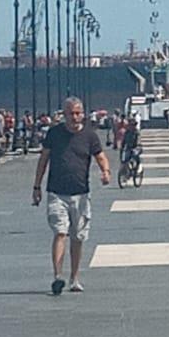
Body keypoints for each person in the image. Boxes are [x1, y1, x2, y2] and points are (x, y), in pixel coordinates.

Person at [32, 96, 110, 296]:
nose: (75, 117)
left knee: (78, 237)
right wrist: (36, 186)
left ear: (83, 114)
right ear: (64, 115)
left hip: (81, 194)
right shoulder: (54, 134)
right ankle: (58, 276)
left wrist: (106, 171)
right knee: (60, 232)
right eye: (71, 114)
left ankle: (74, 278)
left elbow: (100, 156)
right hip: (57, 193)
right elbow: (43, 160)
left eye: (77, 113)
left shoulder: (90, 136)